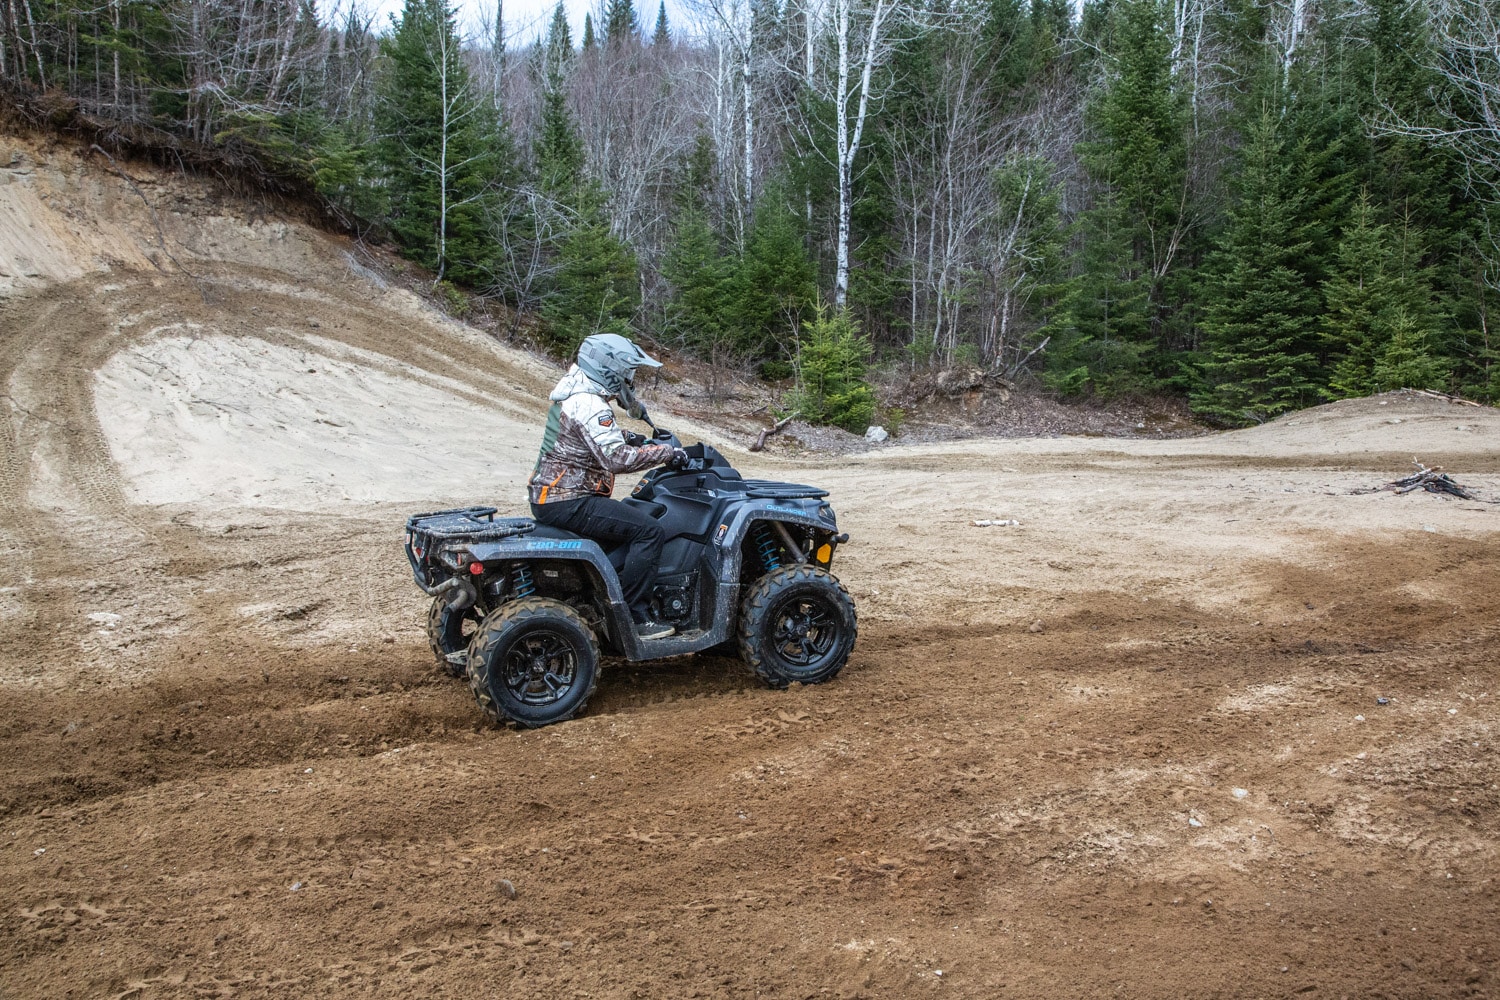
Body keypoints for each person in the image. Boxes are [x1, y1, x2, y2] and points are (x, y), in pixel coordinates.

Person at [528, 333, 688, 640]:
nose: (631, 379)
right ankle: (633, 617)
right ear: (610, 369)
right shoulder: (590, 404)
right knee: (649, 532)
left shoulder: (575, 394)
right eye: (629, 372)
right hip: (569, 500)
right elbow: (616, 459)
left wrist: (634, 438)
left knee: (624, 524)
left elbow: (581, 437)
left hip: (551, 497)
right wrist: (669, 452)